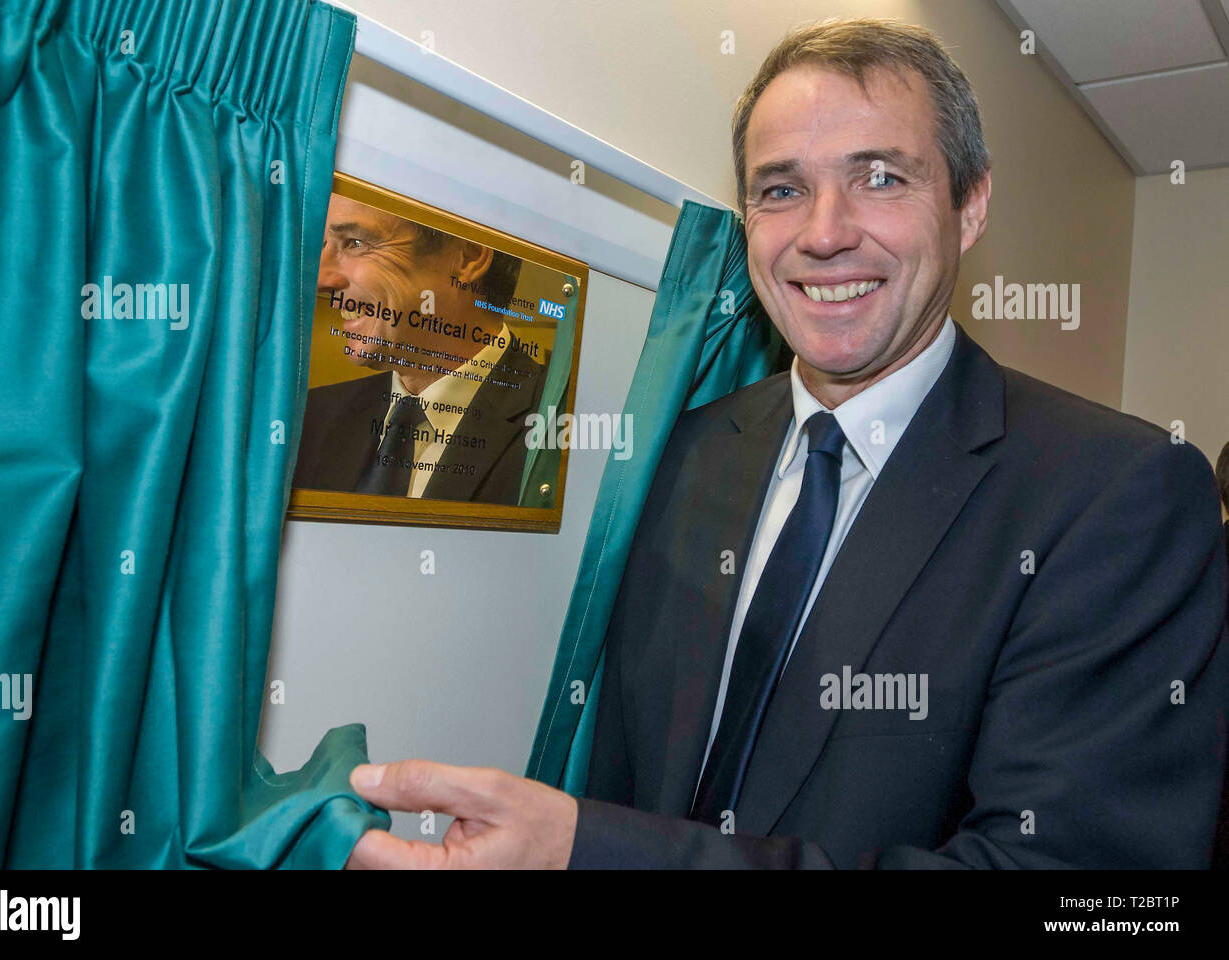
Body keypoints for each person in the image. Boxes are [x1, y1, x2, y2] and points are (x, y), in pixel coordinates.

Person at [342, 18, 1229, 869]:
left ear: (970, 204)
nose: (824, 231)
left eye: (880, 176)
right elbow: (633, 770)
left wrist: (589, 852)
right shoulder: (689, 450)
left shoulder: (1119, 497)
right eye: (781, 188)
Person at [293, 193, 545, 503]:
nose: (320, 279)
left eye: (355, 243)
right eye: (323, 246)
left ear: (468, 257)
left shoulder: (562, 428)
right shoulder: (311, 416)